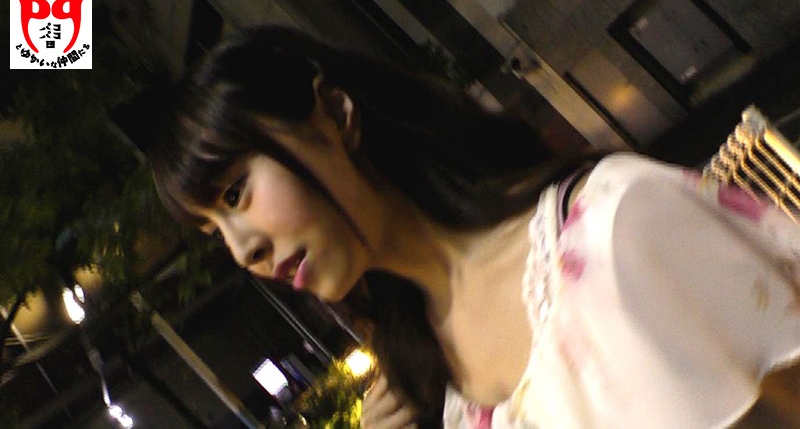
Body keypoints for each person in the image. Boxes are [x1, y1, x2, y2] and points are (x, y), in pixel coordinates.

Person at [143, 26, 800, 428]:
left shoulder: (616, 226)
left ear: (335, 115)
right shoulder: (443, 394)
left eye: (236, 193)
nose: (244, 249)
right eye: (215, 232)